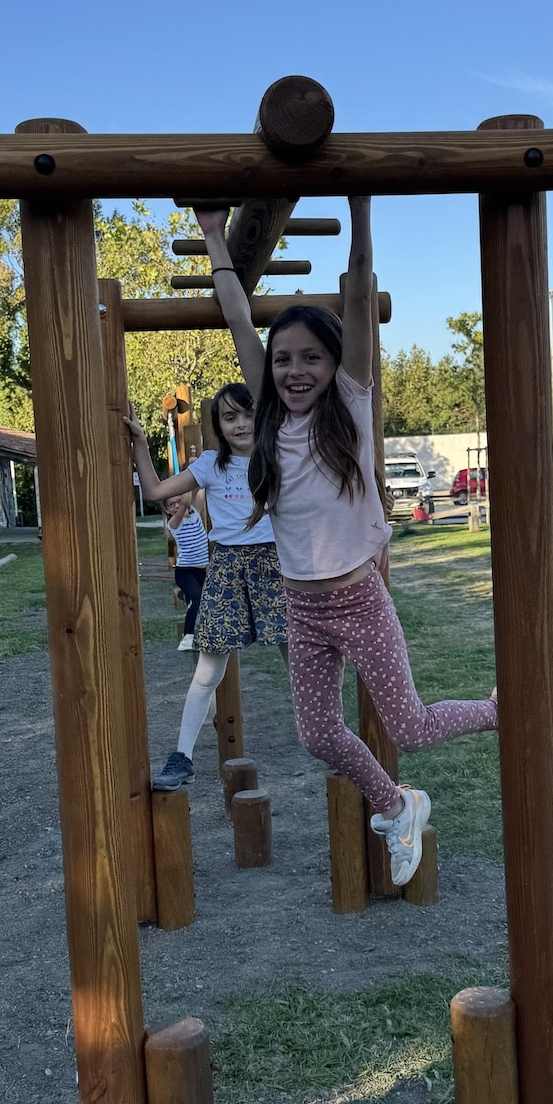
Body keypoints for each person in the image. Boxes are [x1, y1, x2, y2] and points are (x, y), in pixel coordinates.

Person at [199, 197, 497, 886]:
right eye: (283, 360)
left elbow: (359, 291)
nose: (294, 370)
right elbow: (238, 316)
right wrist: (214, 235)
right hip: (302, 608)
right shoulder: (269, 421)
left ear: (337, 362)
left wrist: (360, 207)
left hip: (359, 600)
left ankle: (493, 713)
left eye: (311, 357)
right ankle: (397, 804)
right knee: (317, 735)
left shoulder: (352, 408)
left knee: (410, 727)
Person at [127, 382, 288, 790]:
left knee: (301, 666)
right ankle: (182, 756)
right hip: (227, 569)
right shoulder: (211, 465)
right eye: (230, 417)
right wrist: (140, 443)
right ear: (219, 426)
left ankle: (336, 741)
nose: (241, 424)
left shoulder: (279, 457)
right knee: (207, 671)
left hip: (274, 568)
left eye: (248, 414)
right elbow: (155, 490)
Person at [164, 490, 208, 651]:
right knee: (196, 600)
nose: (176, 506)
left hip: (201, 572)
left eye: (177, 501)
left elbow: (202, 491)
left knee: (206, 603)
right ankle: (188, 637)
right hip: (185, 571)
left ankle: (185, 595)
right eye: (171, 504)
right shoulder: (174, 523)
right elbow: (185, 503)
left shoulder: (195, 512)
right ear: (167, 510)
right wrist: (185, 484)